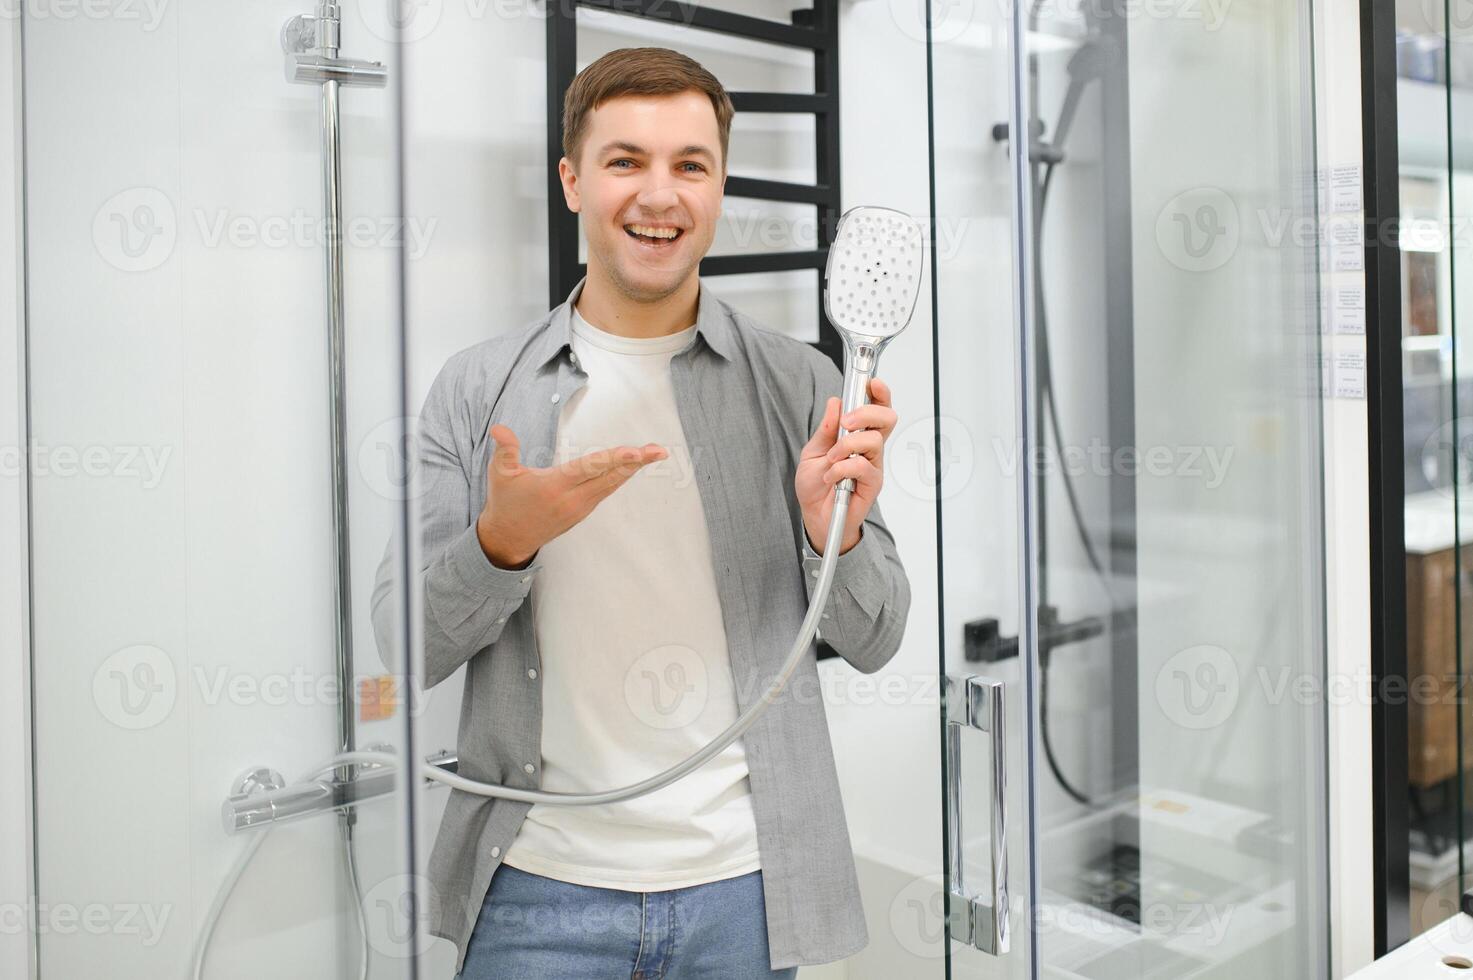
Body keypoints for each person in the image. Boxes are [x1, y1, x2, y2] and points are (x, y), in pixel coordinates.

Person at [372, 45, 911, 979]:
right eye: (625, 161)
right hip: (534, 889)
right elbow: (400, 647)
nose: (658, 195)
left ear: (718, 185)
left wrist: (840, 532)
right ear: (573, 180)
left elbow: (876, 637)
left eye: (688, 165)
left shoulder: (801, 384)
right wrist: (500, 545)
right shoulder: (476, 387)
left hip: (746, 889)